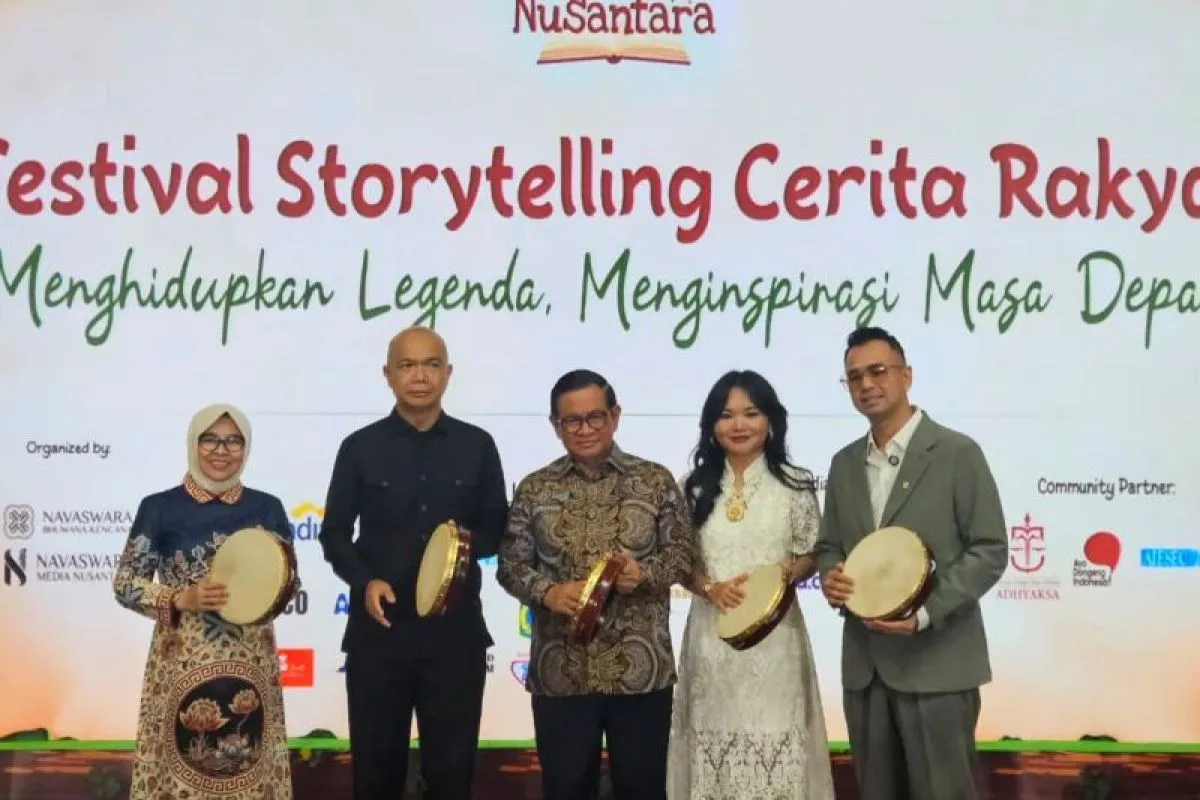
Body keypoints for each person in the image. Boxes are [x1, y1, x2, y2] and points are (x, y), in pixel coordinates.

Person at [813, 327, 1008, 800]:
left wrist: (924, 613)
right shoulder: (843, 464)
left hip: (938, 665)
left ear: (907, 376)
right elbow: (830, 546)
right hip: (866, 668)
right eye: (854, 377)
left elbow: (989, 549)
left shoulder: (958, 453)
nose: (866, 384)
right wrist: (831, 577)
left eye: (878, 371)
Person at [318, 326, 509, 800]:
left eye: (430, 364)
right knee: (375, 775)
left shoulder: (478, 445)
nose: (419, 376)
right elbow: (334, 534)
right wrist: (364, 580)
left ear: (448, 373)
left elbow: (496, 529)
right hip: (378, 636)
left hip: (455, 637)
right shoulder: (359, 447)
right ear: (388, 375)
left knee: (452, 775)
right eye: (407, 365)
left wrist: (457, 551)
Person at [496, 369, 696, 800]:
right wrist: (548, 592)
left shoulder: (654, 481)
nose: (584, 429)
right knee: (566, 789)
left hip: (640, 672)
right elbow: (510, 565)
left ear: (615, 415)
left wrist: (644, 574)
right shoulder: (534, 488)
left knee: (643, 789)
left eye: (595, 417)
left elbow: (683, 557)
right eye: (572, 421)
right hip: (562, 673)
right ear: (556, 425)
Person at [112, 403, 296, 800]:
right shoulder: (159, 508)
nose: (221, 450)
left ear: (246, 448)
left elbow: (288, 585)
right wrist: (181, 597)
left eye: (233, 441)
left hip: (250, 660)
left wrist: (268, 591)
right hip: (180, 660)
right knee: (180, 767)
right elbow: (125, 584)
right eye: (210, 439)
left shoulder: (267, 508)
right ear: (193, 443)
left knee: (248, 765)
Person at [667, 370, 836, 799]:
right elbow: (679, 563)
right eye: (726, 415)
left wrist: (782, 578)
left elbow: (812, 552)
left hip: (776, 640)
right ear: (711, 425)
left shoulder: (795, 483)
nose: (739, 425)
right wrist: (709, 588)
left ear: (771, 420)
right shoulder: (691, 488)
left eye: (751, 413)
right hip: (711, 641)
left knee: (777, 750)